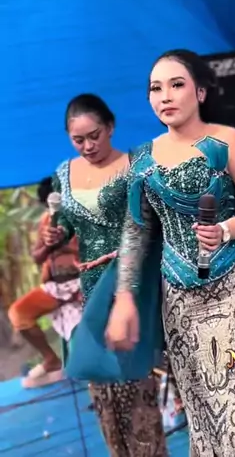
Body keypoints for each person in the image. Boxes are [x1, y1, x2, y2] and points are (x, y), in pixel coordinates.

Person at [105, 49, 235, 457]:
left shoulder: (227, 140)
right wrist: (124, 298)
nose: (165, 95)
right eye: (156, 88)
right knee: (203, 425)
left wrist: (225, 230)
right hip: (179, 299)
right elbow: (136, 233)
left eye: (177, 84)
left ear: (200, 92)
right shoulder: (141, 159)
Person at [42, 94, 167, 457]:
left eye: (94, 136)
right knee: (102, 389)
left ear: (110, 127)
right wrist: (57, 233)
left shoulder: (134, 167)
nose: (88, 146)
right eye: (78, 140)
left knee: (135, 386)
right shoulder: (63, 174)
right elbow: (68, 224)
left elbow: (141, 228)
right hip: (92, 289)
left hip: (132, 284)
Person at [8, 177, 81, 389]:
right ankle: (51, 359)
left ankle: (99, 377)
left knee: (84, 335)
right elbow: (37, 257)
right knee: (18, 314)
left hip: (84, 284)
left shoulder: (83, 217)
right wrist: (49, 245)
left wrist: (65, 243)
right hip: (54, 288)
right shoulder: (46, 221)